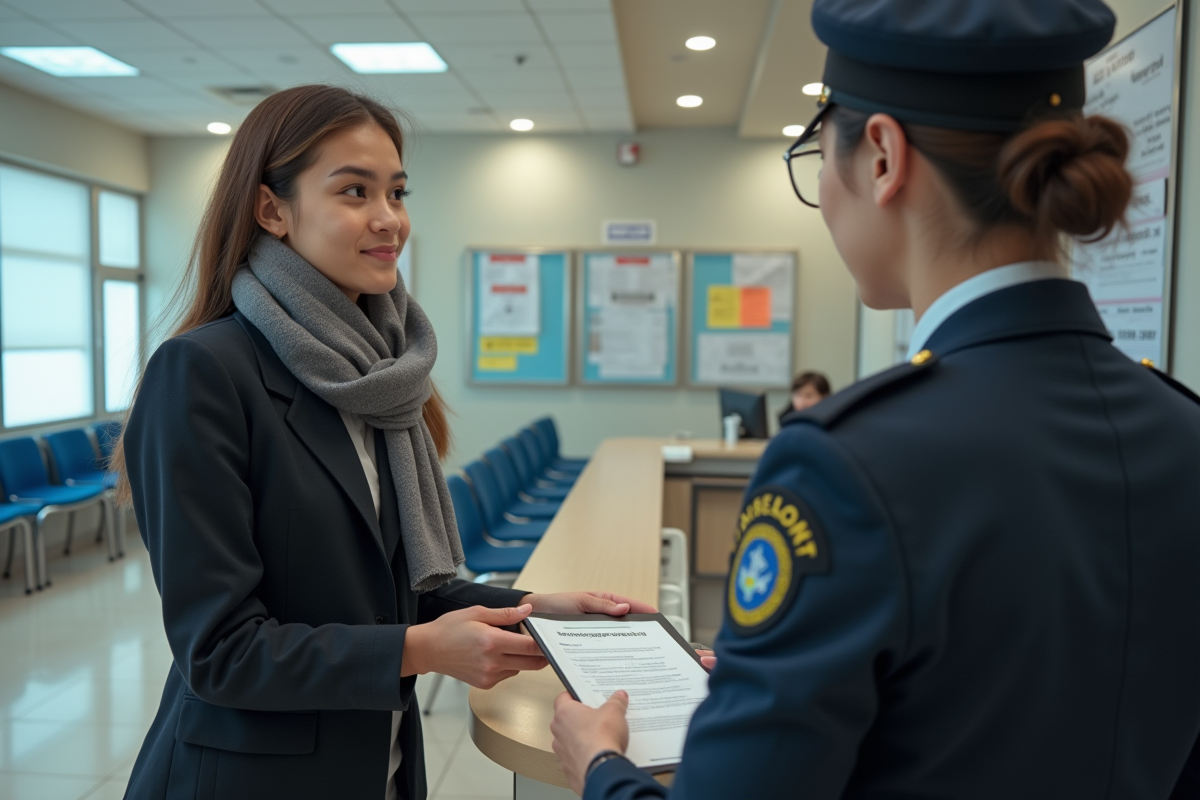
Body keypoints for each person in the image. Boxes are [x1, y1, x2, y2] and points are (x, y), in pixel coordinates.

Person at [550, 0, 1200, 797]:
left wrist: (602, 766)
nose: (822, 191)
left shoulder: (845, 464)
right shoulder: (1181, 427)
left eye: (818, 155)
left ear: (884, 157)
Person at [113, 85, 653, 800]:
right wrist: (422, 649)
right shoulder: (204, 373)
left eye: (396, 192)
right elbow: (221, 653)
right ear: (272, 210)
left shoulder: (376, 370)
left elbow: (391, 590)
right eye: (354, 192)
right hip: (249, 778)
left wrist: (537, 608)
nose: (388, 219)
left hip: (379, 766)